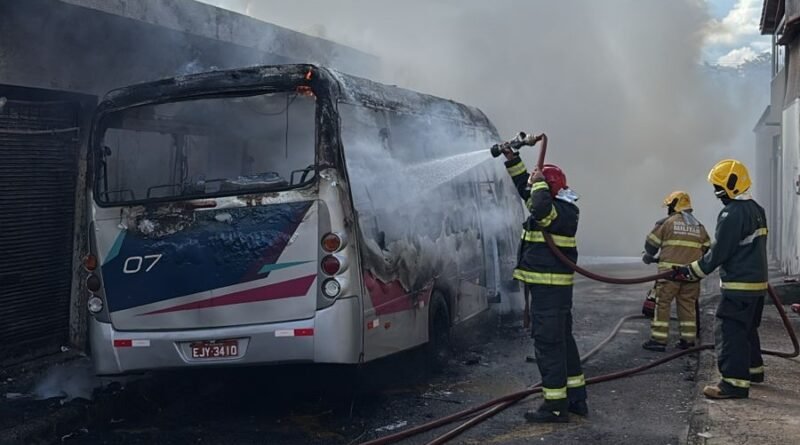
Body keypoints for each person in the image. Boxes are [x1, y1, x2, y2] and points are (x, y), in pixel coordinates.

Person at [502, 142, 587, 422]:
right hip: (551, 292)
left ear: (547, 188)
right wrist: (513, 160)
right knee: (562, 341)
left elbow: (539, 208)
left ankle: (554, 407)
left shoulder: (560, 212)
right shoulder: (551, 202)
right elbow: (528, 193)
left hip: (550, 293)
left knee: (549, 346)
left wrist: (538, 185)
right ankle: (576, 399)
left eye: (539, 185)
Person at [673, 159, 768, 399]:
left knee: (730, 330)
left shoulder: (731, 213)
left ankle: (733, 384)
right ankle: (753, 371)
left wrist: (690, 271)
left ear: (732, 186)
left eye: (719, 188)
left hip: (738, 285)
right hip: (757, 285)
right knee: (747, 329)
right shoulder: (757, 209)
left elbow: (719, 252)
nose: (717, 194)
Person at [641, 191, 710, 352]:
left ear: (674, 205)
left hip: (669, 275)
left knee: (662, 305)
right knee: (687, 306)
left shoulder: (667, 223)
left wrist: (650, 255)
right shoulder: (699, 227)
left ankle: (658, 340)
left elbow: (650, 245)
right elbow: (707, 248)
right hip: (691, 275)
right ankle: (688, 341)